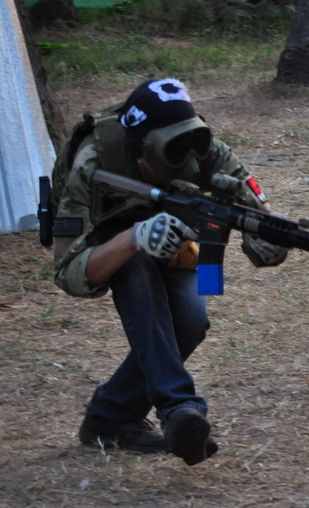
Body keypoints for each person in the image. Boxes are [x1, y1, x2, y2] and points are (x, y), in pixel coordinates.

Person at [52, 78, 288, 466]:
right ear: (139, 150)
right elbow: (69, 271)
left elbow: (259, 214)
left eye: (194, 146)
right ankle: (179, 407)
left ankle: (109, 417)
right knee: (138, 272)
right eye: (173, 152)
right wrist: (134, 237)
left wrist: (268, 240)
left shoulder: (207, 149)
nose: (188, 161)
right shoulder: (93, 163)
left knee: (190, 323)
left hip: (173, 230)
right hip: (113, 238)